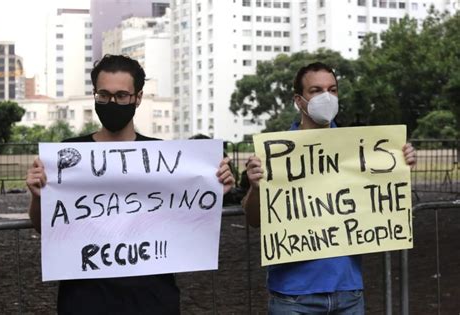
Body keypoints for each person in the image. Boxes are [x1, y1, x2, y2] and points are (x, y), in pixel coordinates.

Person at [26, 54, 235, 315]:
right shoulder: (68, 153)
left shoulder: (165, 155)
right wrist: (37, 195)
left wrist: (215, 186)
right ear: (95, 95)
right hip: (85, 299)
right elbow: (43, 225)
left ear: (138, 97)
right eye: (104, 95)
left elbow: (189, 214)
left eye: (122, 95)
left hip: (152, 298)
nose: (112, 102)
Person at [242, 62, 416, 314]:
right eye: (316, 90)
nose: (326, 96)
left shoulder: (358, 150)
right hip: (293, 298)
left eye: (332, 89)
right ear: (299, 100)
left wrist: (401, 163)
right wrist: (257, 188)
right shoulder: (275, 154)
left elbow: (383, 200)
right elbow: (254, 220)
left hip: (348, 293)